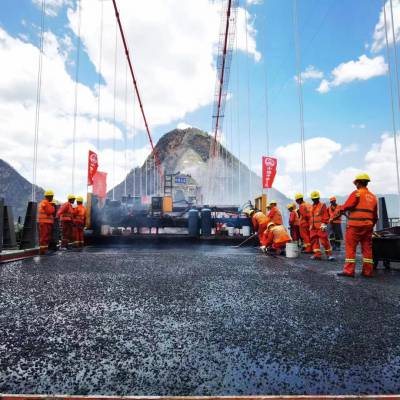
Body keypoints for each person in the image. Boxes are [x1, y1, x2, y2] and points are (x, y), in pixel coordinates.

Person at [337, 173, 377, 278]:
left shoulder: (357, 193)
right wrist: (370, 226)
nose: (356, 185)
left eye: (356, 183)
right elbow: (375, 216)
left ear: (358, 183)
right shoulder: (373, 197)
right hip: (368, 226)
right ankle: (368, 272)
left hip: (354, 226)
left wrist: (340, 209)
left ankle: (349, 271)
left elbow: (347, 206)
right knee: (367, 249)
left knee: (350, 247)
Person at [309, 191, 334, 261]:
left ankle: (329, 255)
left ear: (318, 198)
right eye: (313, 199)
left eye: (316, 198)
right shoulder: (311, 206)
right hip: (313, 227)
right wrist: (310, 225)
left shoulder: (322, 205)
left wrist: (324, 224)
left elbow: (325, 215)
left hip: (320, 226)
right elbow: (311, 217)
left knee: (324, 241)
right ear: (311, 199)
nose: (315, 200)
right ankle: (317, 255)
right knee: (314, 241)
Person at [37, 190, 55, 255]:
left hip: (46, 222)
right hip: (44, 222)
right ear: (49, 196)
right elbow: (49, 211)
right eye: (52, 197)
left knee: (46, 237)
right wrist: (53, 207)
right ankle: (43, 251)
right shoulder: (46, 203)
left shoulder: (44, 202)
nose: (52, 198)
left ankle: (44, 250)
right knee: (44, 237)